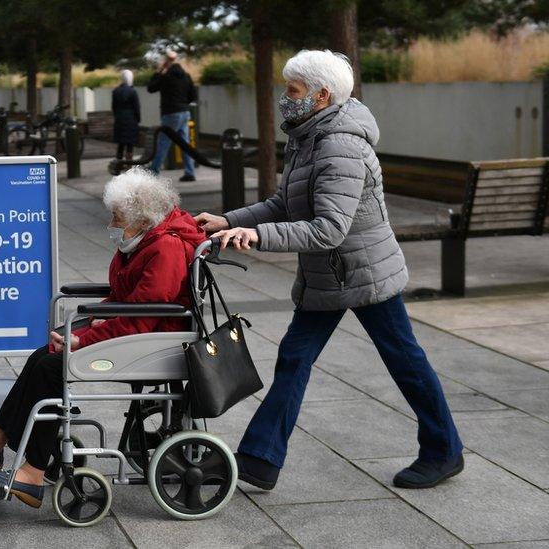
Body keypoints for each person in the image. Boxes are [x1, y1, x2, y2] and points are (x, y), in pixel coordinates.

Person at [195, 49, 464, 491]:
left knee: (405, 361)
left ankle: (444, 451)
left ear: (321, 96)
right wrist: (230, 221)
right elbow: (285, 204)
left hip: (364, 272)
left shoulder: (341, 145)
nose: (285, 98)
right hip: (329, 275)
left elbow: (328, 229)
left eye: (293, 90)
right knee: (295, 358)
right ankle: (260, 460)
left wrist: (258, 237)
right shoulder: (308, 135)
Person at [0, 167, 206, 508]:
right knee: (43, 356)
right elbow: (128, 299)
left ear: (142, 218)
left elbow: (143, 314)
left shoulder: (165, 248)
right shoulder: (144, 242)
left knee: (52, 367)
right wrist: (95, 319)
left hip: (154, 340)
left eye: (117, 217)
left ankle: (32, 471)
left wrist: (87, 339)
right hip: (138, 330)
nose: (112, 224)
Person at [147, 51, 197, 182]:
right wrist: (184, 103)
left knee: (163, 143)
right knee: (185, 144)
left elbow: (151, 88)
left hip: (170, 114)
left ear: (167, 62)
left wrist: (159, 70)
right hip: (185, 112)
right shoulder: (186, 76)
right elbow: (193, 95)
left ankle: (153, 172)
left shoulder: (166, 77)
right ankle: (190, 172)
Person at [111, 69, 140, 161]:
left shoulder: (116, 91)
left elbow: (114, 107)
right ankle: (129, 163)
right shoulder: (133, 91)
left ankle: (118, 162)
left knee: (121, 142)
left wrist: (117, 116)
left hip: (119, 118)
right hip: (131, 119)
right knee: (130, 142)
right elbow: (137, 107)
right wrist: (138, 119)